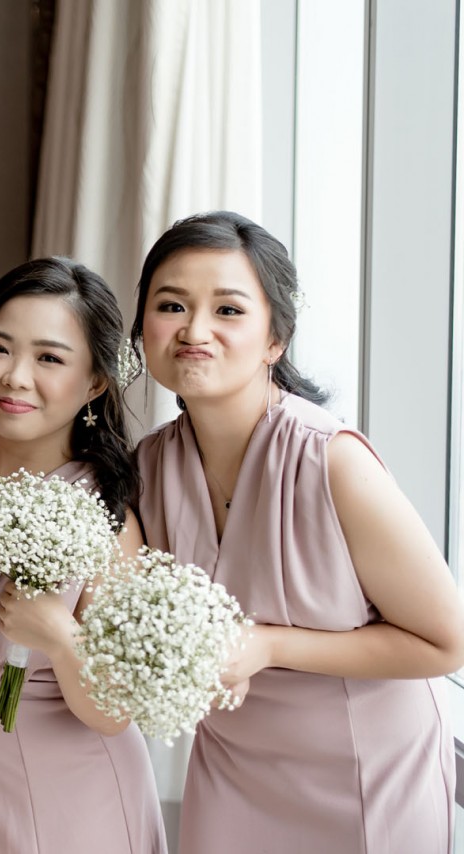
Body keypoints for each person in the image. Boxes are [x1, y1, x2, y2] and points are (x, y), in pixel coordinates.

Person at [132, 211, 464, 853]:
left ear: (275, 339)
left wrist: (266, 645)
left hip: (365, 777)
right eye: (171, 306)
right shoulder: (147, 468)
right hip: (232, 772)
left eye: (228, 310)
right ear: (143, 328)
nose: (194, 330)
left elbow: (445, 642)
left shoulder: (330, 460)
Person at [0, 258, 167, 853]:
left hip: (71, 800)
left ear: (95, 382)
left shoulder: (105, 510)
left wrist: (62, 638)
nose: (15, 377)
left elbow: (114, 711)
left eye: (50, 358)